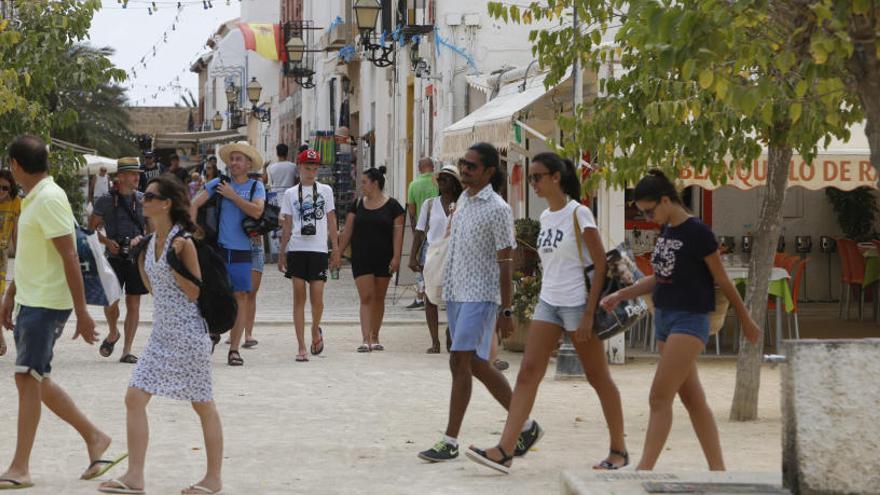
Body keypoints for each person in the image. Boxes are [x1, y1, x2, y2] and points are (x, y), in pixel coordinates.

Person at [466, 152, 628, 474]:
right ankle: (505, 449)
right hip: (548, 302)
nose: (534, 183)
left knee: (598, 378)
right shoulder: (546, 218)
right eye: (531, 178)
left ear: (556, 177)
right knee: (527, 372)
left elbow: (600, 266)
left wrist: (587, 314)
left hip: (577, 304)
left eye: (537, 177)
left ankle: (619, 450)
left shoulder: (579, 214)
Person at [600, 170, 761, 471]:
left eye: (650, 210)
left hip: (690, 320)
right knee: (694, 401)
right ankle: (719, 472)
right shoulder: (667, 231)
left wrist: (746, 320)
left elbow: (723, 280)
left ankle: (643, 470)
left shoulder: (698, 232)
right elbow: (659, 277)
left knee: (659, 397)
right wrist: (621, 294)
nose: (648, 218)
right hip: (665, 318)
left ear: (666, 200)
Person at [1, 135, 125, 490]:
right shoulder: (34, 198)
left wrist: (83, 313)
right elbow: (34, 254)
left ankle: (20, 467)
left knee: (28, 378)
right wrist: (11, 294)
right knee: (34, 379)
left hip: (46, 304)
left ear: (16, 165)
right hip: (32, 300)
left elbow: (70, 256)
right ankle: (95, 438)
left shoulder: (50, 199)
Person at [98, 175, 223, 495]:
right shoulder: (149, 243)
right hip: (162, 335)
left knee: (203, 405)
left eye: (151, 196)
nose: (144, 199)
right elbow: (154, 289)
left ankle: (213, 479)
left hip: (188, 335)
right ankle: (135, 477)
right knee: (134, 397)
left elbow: (194, 292)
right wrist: (143, 255)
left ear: (166, 203)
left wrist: (175, 259)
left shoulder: (184, 242)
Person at [417, 143, 540, 463]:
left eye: (472, 165)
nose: (465, 169)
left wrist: (507, 308)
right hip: (458, 294)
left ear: (488, 171)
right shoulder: (463, 201)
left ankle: (450, 440)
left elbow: (506, 261)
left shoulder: (498, 208)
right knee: (474, 365)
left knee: (460, 361)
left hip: (481, 296)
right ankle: (525, 425)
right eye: (463, 163)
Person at [190, 142, 265, 367]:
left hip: (244, 251)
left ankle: (234, 349)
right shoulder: (219, 183)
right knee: (214, 294)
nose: (233, 163)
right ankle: (214, 331)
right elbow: (193, 204)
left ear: (248, 164)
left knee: (241, 297)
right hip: (219, 250)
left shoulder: (255, 187)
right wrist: (193, 231)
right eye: (231, 159)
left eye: (238, 159)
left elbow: (257, 210)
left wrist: (233, 196)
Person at [278, 149, 341, 362]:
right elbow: (286, 225)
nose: (311, 172)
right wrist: (282, 252)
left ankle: (315, 329)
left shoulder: (326, 190)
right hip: (296, 247)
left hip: (318, 249)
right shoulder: (289, 194)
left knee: (317, 298)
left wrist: (337, 250)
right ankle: (301, 345)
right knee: (298, 297)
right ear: (299, 167)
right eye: (307, 168)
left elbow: (332, 221)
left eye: (315, 169)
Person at [89, 157, 149, 364]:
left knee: (134, 302)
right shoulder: (105, 200)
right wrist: (107, 242)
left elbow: (153, 229)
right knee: (111, 301)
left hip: (136, 258)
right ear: (121, 177)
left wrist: (143, 240)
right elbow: (90, 230)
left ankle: (127, 350)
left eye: (138, 175)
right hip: (114, 257)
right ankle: (113, 332)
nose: (136, 178)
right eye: (133, 174)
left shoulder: (143, 200)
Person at [338, 166, 404, 352]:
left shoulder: (393, 206)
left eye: (364, 182)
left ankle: (375, 336)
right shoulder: (357, 204)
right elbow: (348, 231)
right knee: (366, 297)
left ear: (375, 183)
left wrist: (396, 257)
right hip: (361, 256)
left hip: (384, 256)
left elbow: (397, 235)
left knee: (379, 298)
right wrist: (338, 253)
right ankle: (365, 338)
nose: (362, 187)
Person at [409, 164, 462, 353]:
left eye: (445, 179)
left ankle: (451, 331)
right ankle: (435, 341)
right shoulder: (430, 204)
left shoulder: (463, 204)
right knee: (430, 297)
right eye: (439, 179)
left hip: (457, 256)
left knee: (455, 297)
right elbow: (420, 230)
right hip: (432, 254)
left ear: (455, 184)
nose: (440, 183)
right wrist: (412, 256)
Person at [405, 157, 439, 310]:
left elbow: (411, 213)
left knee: (420, 263)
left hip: (422, 229)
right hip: (439, 228)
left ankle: (420, 295)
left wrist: (414, 234)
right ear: (433, 167)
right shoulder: (438, 182)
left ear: (419, 168)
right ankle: (433, 295)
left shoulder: (413, 185)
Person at [0, 169, 20, 359]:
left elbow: (15, 232)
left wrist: (21, 254)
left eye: (5, 188)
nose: (1, 192)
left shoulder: (15, 202)